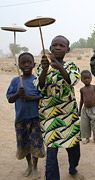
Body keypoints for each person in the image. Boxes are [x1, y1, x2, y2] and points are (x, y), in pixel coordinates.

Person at [33, 35, 84, 180]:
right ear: (50, 48)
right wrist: (44, 69)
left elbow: (71, 81)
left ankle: (73, 169)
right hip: (49, 115)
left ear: (68, 49)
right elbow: (40, 86)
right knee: (51, 154)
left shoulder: (71, 66)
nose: (57, 47)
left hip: (68, 115)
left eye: (62, 45)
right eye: (55, 45)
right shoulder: (42, 67)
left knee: (74, 149)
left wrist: (58, 66)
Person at [6, 52, 45, 180]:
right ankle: (28, 165)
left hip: (34, 118)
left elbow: (43, 97)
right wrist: (18, 93)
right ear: (19, 66)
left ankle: (35, 167)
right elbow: (10, 99)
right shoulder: (16, 81)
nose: (26, 65)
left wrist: (30, 98)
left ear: (34, 65)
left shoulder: (36, 80)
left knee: (35, 143)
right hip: (21, 118)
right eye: (23, 63)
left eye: (29, 62)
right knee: (25, 143)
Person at [79, 70, 95, 144]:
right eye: (84, 78)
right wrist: (79, 111)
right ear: (81, 80)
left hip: (94, 109)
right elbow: (81, 100)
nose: (87, 80)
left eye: (88, 78)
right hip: (85, 110)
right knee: (85, 125)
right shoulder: (82, 90)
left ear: (91, 79)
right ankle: (87, 138)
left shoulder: (94, 87)